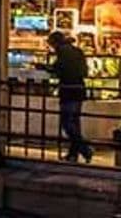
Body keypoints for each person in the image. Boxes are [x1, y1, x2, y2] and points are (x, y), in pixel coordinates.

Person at [46, 31, 92, 163]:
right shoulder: (77, 50)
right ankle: (73, 154)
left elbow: (58, 69)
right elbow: (84, 71)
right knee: (74, 123)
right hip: (79, 88)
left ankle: (84, 149)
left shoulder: (62, 52)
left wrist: (45, 68)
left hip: (68, 90)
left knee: (67, 123)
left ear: (55, 43)